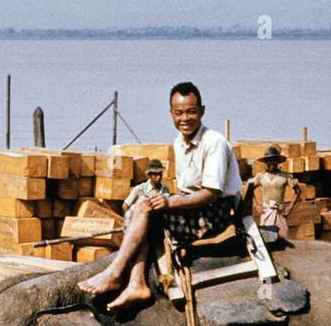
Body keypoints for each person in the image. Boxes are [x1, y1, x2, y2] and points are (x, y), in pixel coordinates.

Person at [80, 81, 242, 310]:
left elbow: (210, 194)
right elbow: (186, 188)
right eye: (179, 113)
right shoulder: (178, 142)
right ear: (171, 114)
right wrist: (165, 201)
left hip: (215, 210)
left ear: (202, 111)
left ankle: (116, 272)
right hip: (191, 204)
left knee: (145, 212)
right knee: (141, 208)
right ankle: (136, 283)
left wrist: (169, 202)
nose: (185, 118)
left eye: (191, 112)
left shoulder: (213, 142)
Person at [244, 146, 298, 239]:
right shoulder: (261, 176)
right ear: (266, 162)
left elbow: (298, 190)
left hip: (279, 212)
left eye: (274, 160)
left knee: (282, 239)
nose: (272, 163)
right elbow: (250, 188)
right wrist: (256, 205)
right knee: (268, 239)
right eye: (269, 160)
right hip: (266, 212)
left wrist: (290, 207)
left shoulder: (285, 176)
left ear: (278, 161)